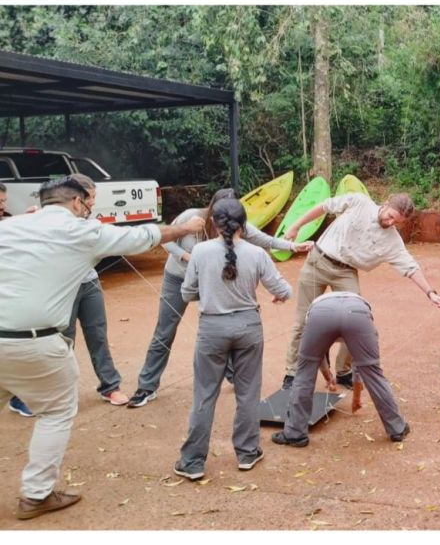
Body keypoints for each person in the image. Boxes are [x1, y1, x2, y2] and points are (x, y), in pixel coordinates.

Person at [0, 176, 203, 519]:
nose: (90, 208)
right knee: (56, 411)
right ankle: (35, 495)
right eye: (89, 202)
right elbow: (144, 236)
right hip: (36, 343)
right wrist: (189, 226)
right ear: (78, 203)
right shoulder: (82, 231)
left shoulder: (11, 227)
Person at [128, 188, 311, 408]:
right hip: (178, 278)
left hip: (210, 282)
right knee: (164, 331)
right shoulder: (191, 217)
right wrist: (186, 256)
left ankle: (232, 374)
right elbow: (166, 240)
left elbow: (266, 240)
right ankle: (147, 386)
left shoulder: (235, 222)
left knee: (221, 326)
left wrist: (292, 246)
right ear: (212, 213)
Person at [172, 199, 291, 480]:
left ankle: (192, 462)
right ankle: (248, 453)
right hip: (249, 326)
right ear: (244, 224)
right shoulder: (257, 253)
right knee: (248, 393)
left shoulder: (200, 251)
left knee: (204, 394)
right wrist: (276, 293)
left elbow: (187, 293)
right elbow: (284, 290)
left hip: (212, 328)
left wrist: (211, 293)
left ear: (213, 223)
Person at [281, 191, 440, 390]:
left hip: (346, 272)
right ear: (385, 204)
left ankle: (343, 371)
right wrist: (296, 226)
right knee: (302, 321)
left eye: (398, 222)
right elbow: (325, 206)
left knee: (356, 321)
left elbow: (410, 266)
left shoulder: (391, 240)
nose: (391, 222)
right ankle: (292, 373)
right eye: (391, 216)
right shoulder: (360, 203)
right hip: (318, 261)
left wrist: (430, 292)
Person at [272, 291, 410, 448]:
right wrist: (355, 397)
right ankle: (397, 429)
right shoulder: (363, 309)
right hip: (357, 315)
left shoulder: (316, 308)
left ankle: (295, 434)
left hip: (320, 314)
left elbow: (316, 357)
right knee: (373, 372)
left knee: (304, 372)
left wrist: (327, 376)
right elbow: (360, 366)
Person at [57, 175, 130, 406]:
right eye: (92, 198)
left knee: (98, 335)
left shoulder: (89, 221)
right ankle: (60, 393)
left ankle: (110, 386)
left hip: (89, 284)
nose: (94, 203)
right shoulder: (54, 221)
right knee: (64, 340)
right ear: (78, 199)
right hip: (64, 288)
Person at [1, 182, 35, 418]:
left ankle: (18, 397)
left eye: (3, 201)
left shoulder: (9, 221)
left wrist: (26, 220)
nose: (3, 206)